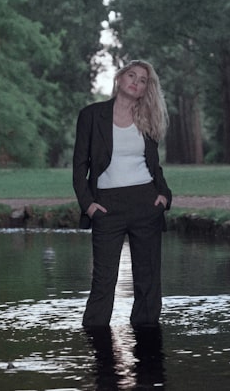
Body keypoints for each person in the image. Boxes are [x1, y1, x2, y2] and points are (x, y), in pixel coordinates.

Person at [73, 59, 172, 329]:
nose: (136, 82)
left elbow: (154, 165)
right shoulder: (91, 115)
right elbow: (80, 165)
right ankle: (95, 345)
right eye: (132, 75)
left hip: (145, 204)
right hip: (106, 206)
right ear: (119, 78)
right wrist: (89, 205)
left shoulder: (148, 117)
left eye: (142, 81)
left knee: (148, 281)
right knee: (103, 281)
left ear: (145, 89)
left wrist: (163, 196)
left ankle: (147, 350)